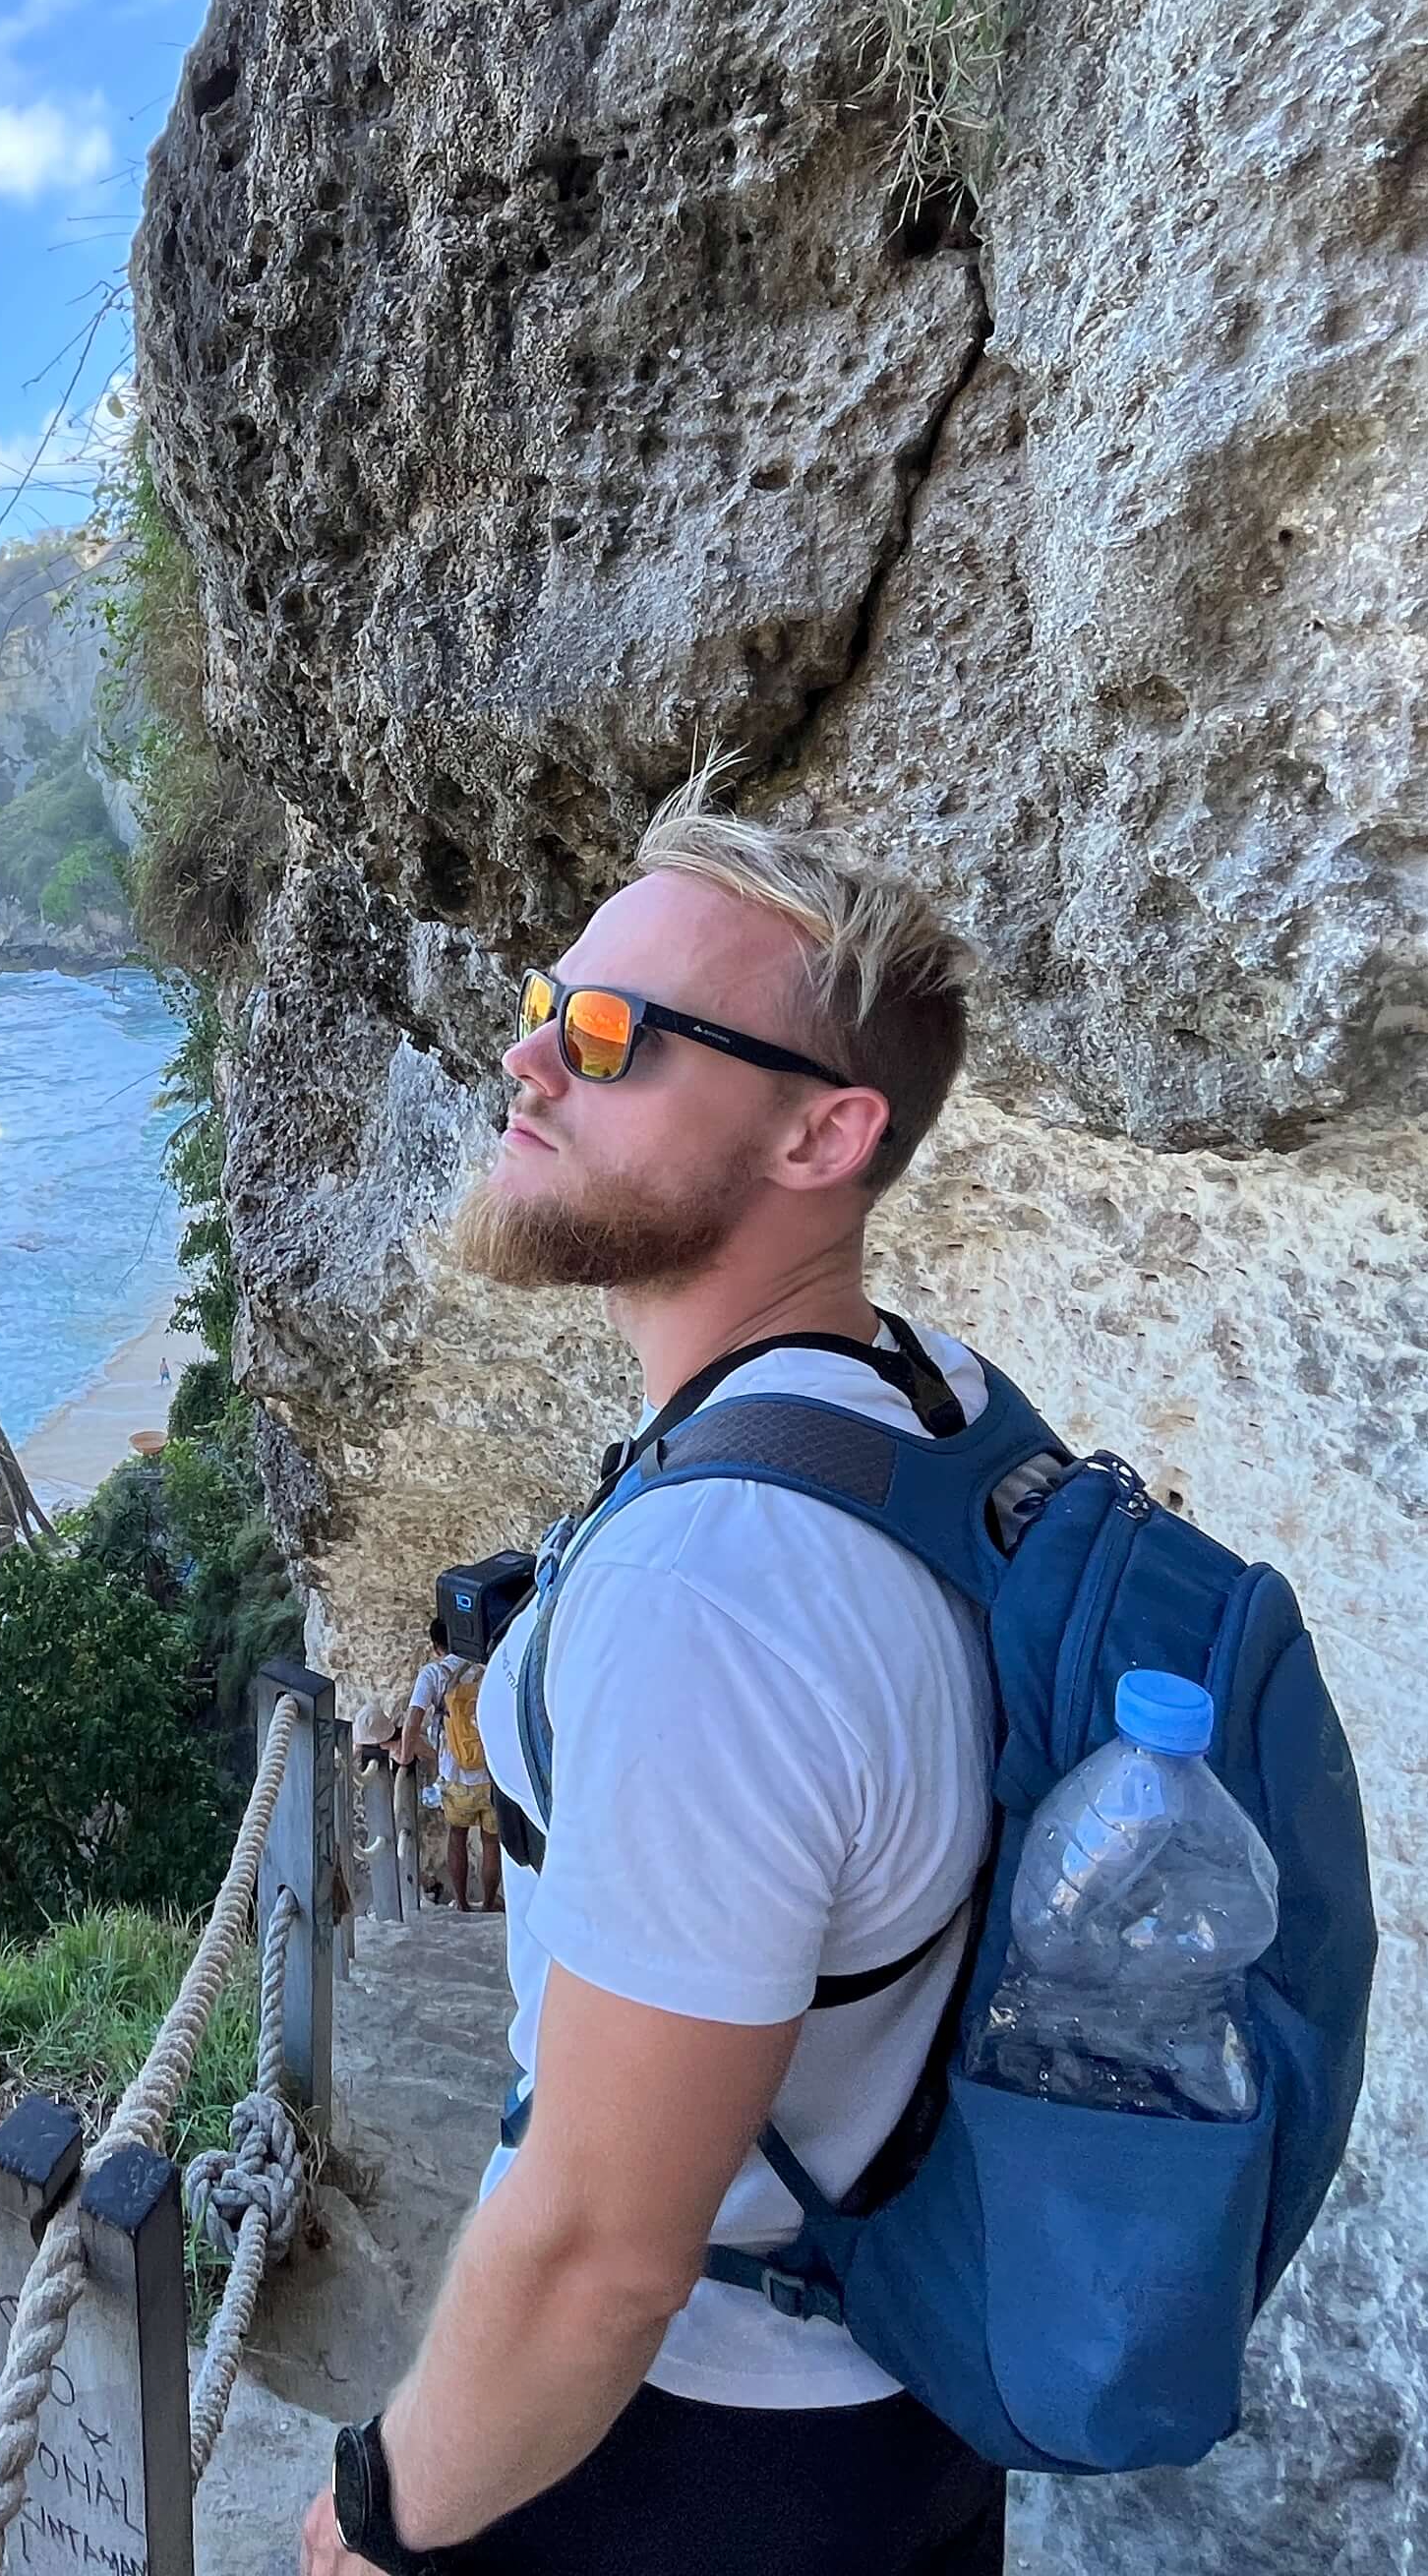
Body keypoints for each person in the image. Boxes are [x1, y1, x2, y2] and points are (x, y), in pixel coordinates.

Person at [303, 790, 1001, 2576]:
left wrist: (381, 2513)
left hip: (698, 2450)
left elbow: (606, 2249)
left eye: (610, 1033)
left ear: (820, 1134)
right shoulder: (923, 1402)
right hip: (888, 2400)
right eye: (549, 999)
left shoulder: (723, 1594)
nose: (526, 1056)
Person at [407, 1614, 506, 1915]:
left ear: (436, 1646)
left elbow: (414, 1718)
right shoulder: (486, 1667)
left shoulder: (434, 1673)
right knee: (491, 1843)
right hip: (491, 1775)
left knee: (457, 1837)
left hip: (455, 1775)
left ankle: (462, 1904)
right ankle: (489, 1903)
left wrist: (405, 1753)